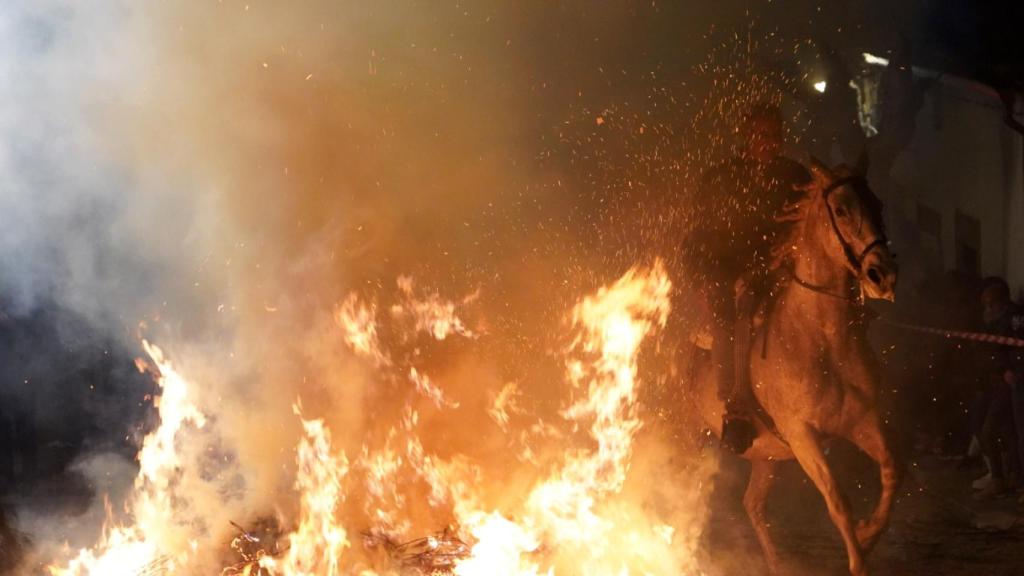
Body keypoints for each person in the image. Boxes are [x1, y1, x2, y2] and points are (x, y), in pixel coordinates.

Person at [690, 103, 810, 454]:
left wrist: (786, 251)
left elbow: (808, 220)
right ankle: (736, 406)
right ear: (747, 135)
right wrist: (723, 275)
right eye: (762, 135)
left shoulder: (794, 177)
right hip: (725, 270)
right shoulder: (721, 179)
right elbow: (704, 235)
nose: (769, 143)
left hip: (776, 269)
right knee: (737, 317)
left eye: (775, 136)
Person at [972, 277, 1024, 500]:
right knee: (1004, 431)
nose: (987, 309)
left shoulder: (1014, 319)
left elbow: (1014, 350)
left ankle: (1001, 478)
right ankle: (1005, 475)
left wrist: (1008, 370)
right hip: (993, 381)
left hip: (1009, 382)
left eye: (991, 304)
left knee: (994, 430)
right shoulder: (993, 319)